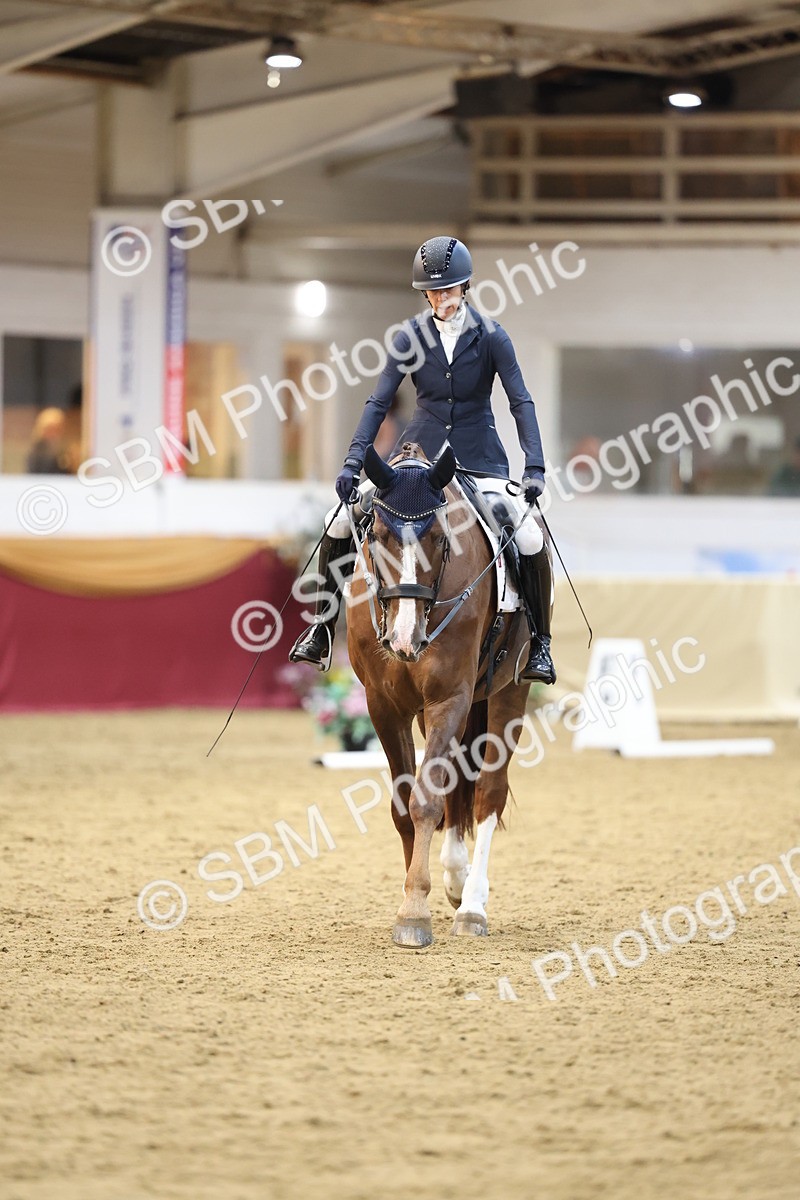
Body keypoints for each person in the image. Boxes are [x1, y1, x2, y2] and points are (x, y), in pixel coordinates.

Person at [289, 235, 556, 684]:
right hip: (417, 460)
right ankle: (320, 628)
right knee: (339, 522)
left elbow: (520, 402)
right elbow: (378, 401)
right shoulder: (409, 336)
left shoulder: (492, 337)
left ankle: (541, 645)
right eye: (432, 292)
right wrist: (353, 462)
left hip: (479, 460)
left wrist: (534, 467)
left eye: (448, 290)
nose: (440, 299)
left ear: (465, 287)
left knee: (527, 534)